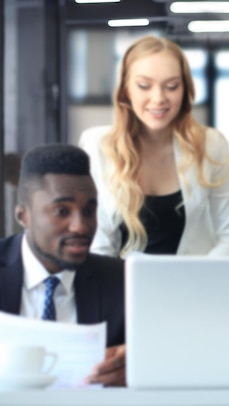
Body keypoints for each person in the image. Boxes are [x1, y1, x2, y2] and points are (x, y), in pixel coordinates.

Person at [79, 35, 229, 258]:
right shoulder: (97, 146)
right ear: (126, 89)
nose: (158, 98)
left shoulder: (211, 145)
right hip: (120, 285)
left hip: (194, 284)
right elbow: (98, 242)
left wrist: (198, 283)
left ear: (185, 89)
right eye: (144, 86)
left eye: (171, 86)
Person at [0, 144, 126, 386]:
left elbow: (171, 355)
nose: (80, 226)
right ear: (23, 216)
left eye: (89, 210)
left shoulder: (122, 281)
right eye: (61, 211)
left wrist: (140, 364)